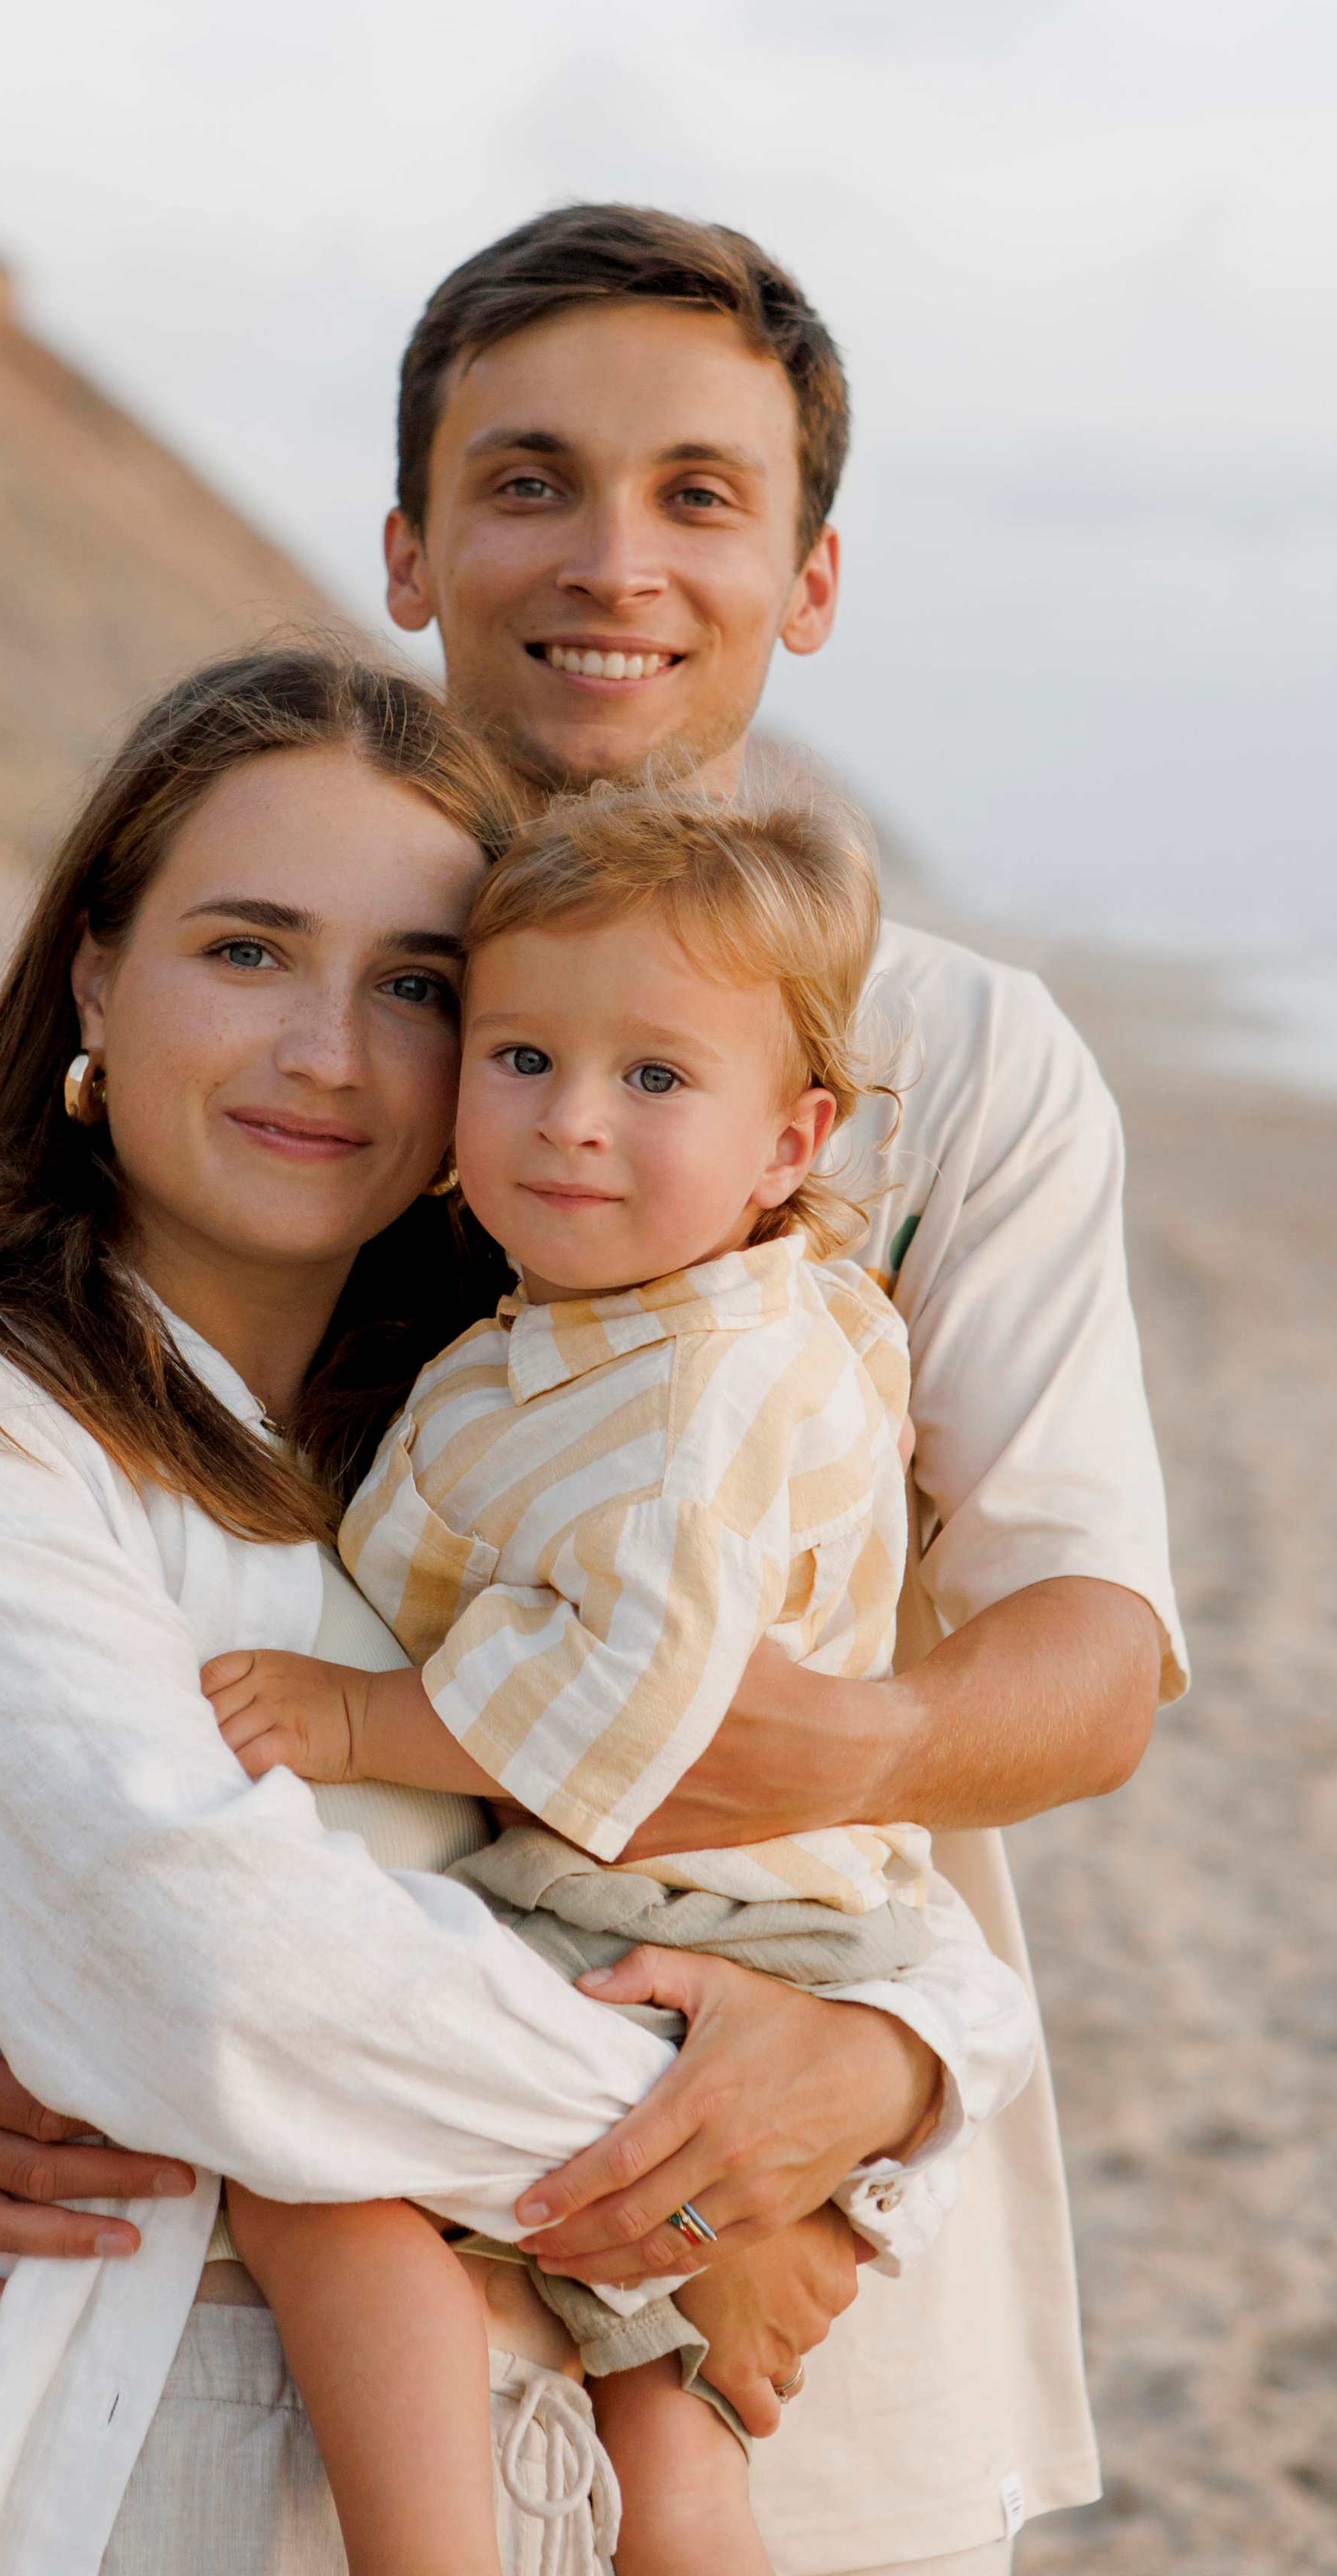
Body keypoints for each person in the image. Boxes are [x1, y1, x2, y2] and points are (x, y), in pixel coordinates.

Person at [0, 204, 1185, 2572]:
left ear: (811, 578)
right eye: (527, 480)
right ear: (408, 546)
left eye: (702, 494)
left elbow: (1095, 1654)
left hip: (765, 2116)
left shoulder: (945, 1058)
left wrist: (861, 1921)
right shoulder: (324, 1031)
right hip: (332, 2203)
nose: (612, 559)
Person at [203, 776, 951, 2576]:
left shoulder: (693, 1394)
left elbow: (639, 1682)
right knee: (664, 2436)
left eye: (655, 1079)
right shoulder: (615, 1322)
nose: (572, 1126)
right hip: (702, 1900)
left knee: (318, 2172)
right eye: (522, 1058)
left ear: (792, 1140)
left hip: (670, 1911)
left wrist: (362, 1721)